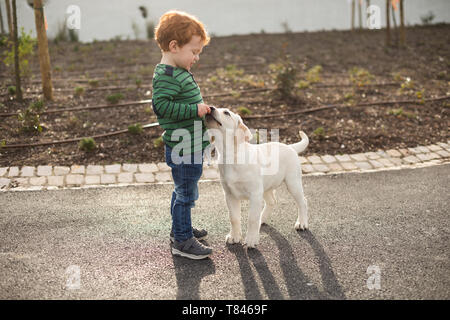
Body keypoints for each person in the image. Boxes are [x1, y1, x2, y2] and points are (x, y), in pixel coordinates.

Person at [152, 11, 213, 259]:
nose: (196, 57)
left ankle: (180, 229)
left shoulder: (175, 72)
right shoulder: (166, 76)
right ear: (174, 46)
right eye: (194, 51)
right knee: (186, 193)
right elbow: (161, 108)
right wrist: (194, 109)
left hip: (190, 144)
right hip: (184, 147)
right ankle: (182, 241)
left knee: (183, 190)